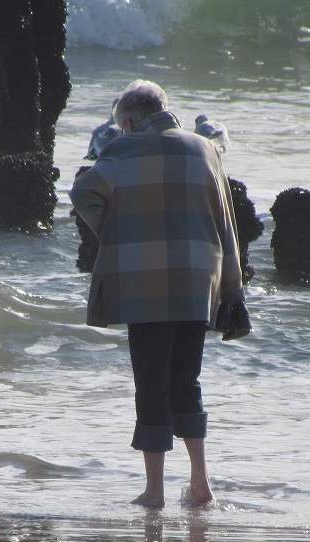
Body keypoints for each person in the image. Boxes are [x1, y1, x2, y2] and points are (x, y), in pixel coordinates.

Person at [70, 80, 244, 508]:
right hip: (198, 280)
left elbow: (84, 193)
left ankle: (154, 491)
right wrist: (233, 286)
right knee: (186, 379)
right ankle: (202, 485)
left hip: (146, 282)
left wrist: (116, 229)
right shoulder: (205, 149)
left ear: (128, 122)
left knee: (151, 382)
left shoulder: (122, 150)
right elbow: (227, 223)